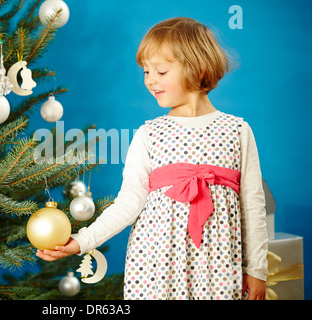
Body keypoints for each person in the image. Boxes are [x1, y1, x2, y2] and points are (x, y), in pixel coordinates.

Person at [37, 17, 268, 300]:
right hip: (157, 270)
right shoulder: (149, 134)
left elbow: (253, 206)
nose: (150, 80)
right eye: (146, 72)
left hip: (217, 268)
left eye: (160, 71)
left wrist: (257, 269)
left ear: (196, 66)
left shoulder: (237, 130)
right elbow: (128, 204)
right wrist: (81, 241)